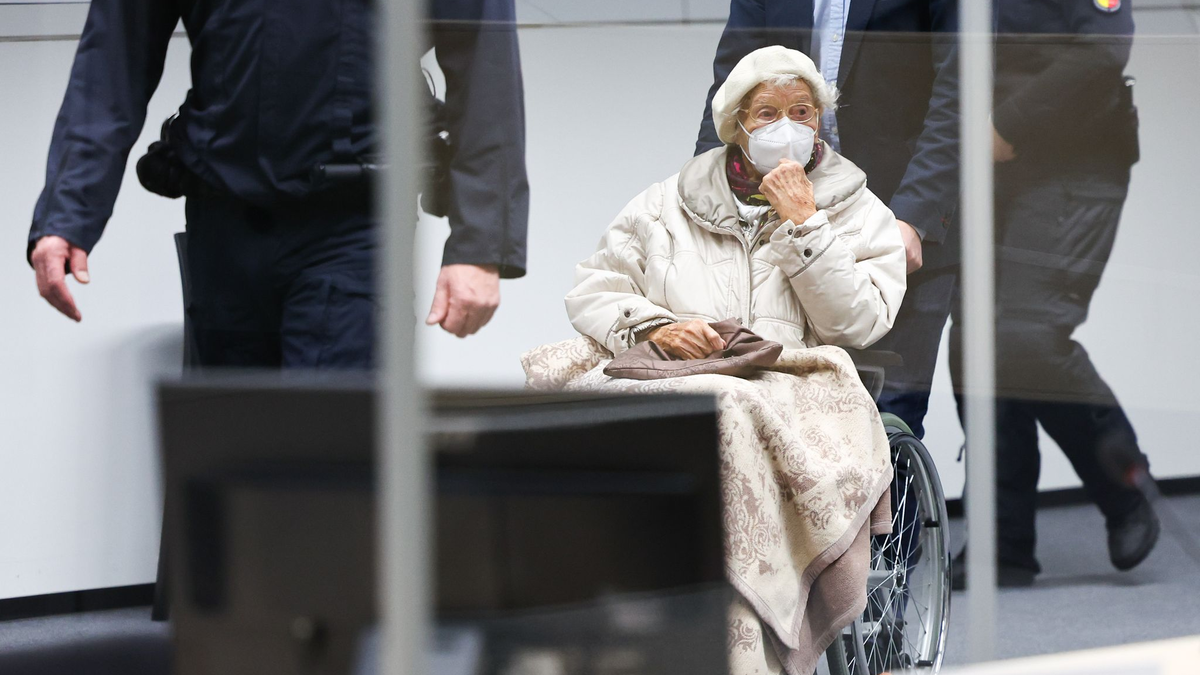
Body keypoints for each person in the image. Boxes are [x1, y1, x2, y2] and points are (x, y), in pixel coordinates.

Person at [26, 0, 529, 369]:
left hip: (354, 227)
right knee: (228, 460)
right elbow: (112, 61)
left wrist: (480, 246)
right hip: (222, 229)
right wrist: (66, 215)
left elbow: (483, 62)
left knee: (335, 457)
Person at [950, 0, 1158, 588]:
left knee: (1026, 337)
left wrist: (1006, 123)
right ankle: (1002, 543)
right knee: (975, 347)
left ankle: (1126, 488)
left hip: (1074, 158)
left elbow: (1102, 48)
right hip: (987, 170)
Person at [696, 0, 959, 438]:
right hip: (780, 222)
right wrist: (703, 199)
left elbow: (960, 95)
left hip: (900, 219)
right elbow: (730, 92)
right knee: (780, 413)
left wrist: (915, 217)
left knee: (886, 420)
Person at [567, 45, 905, 360]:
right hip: (683, 387)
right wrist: (658, 331)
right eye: (767, 113)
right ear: (737, 125)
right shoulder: (663, 205)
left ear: (817, 122)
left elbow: (857, 327)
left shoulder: (861, 211)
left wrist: (807, 225)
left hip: (790, 389)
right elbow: (594, 291)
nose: (787, 128)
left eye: (801, 112)